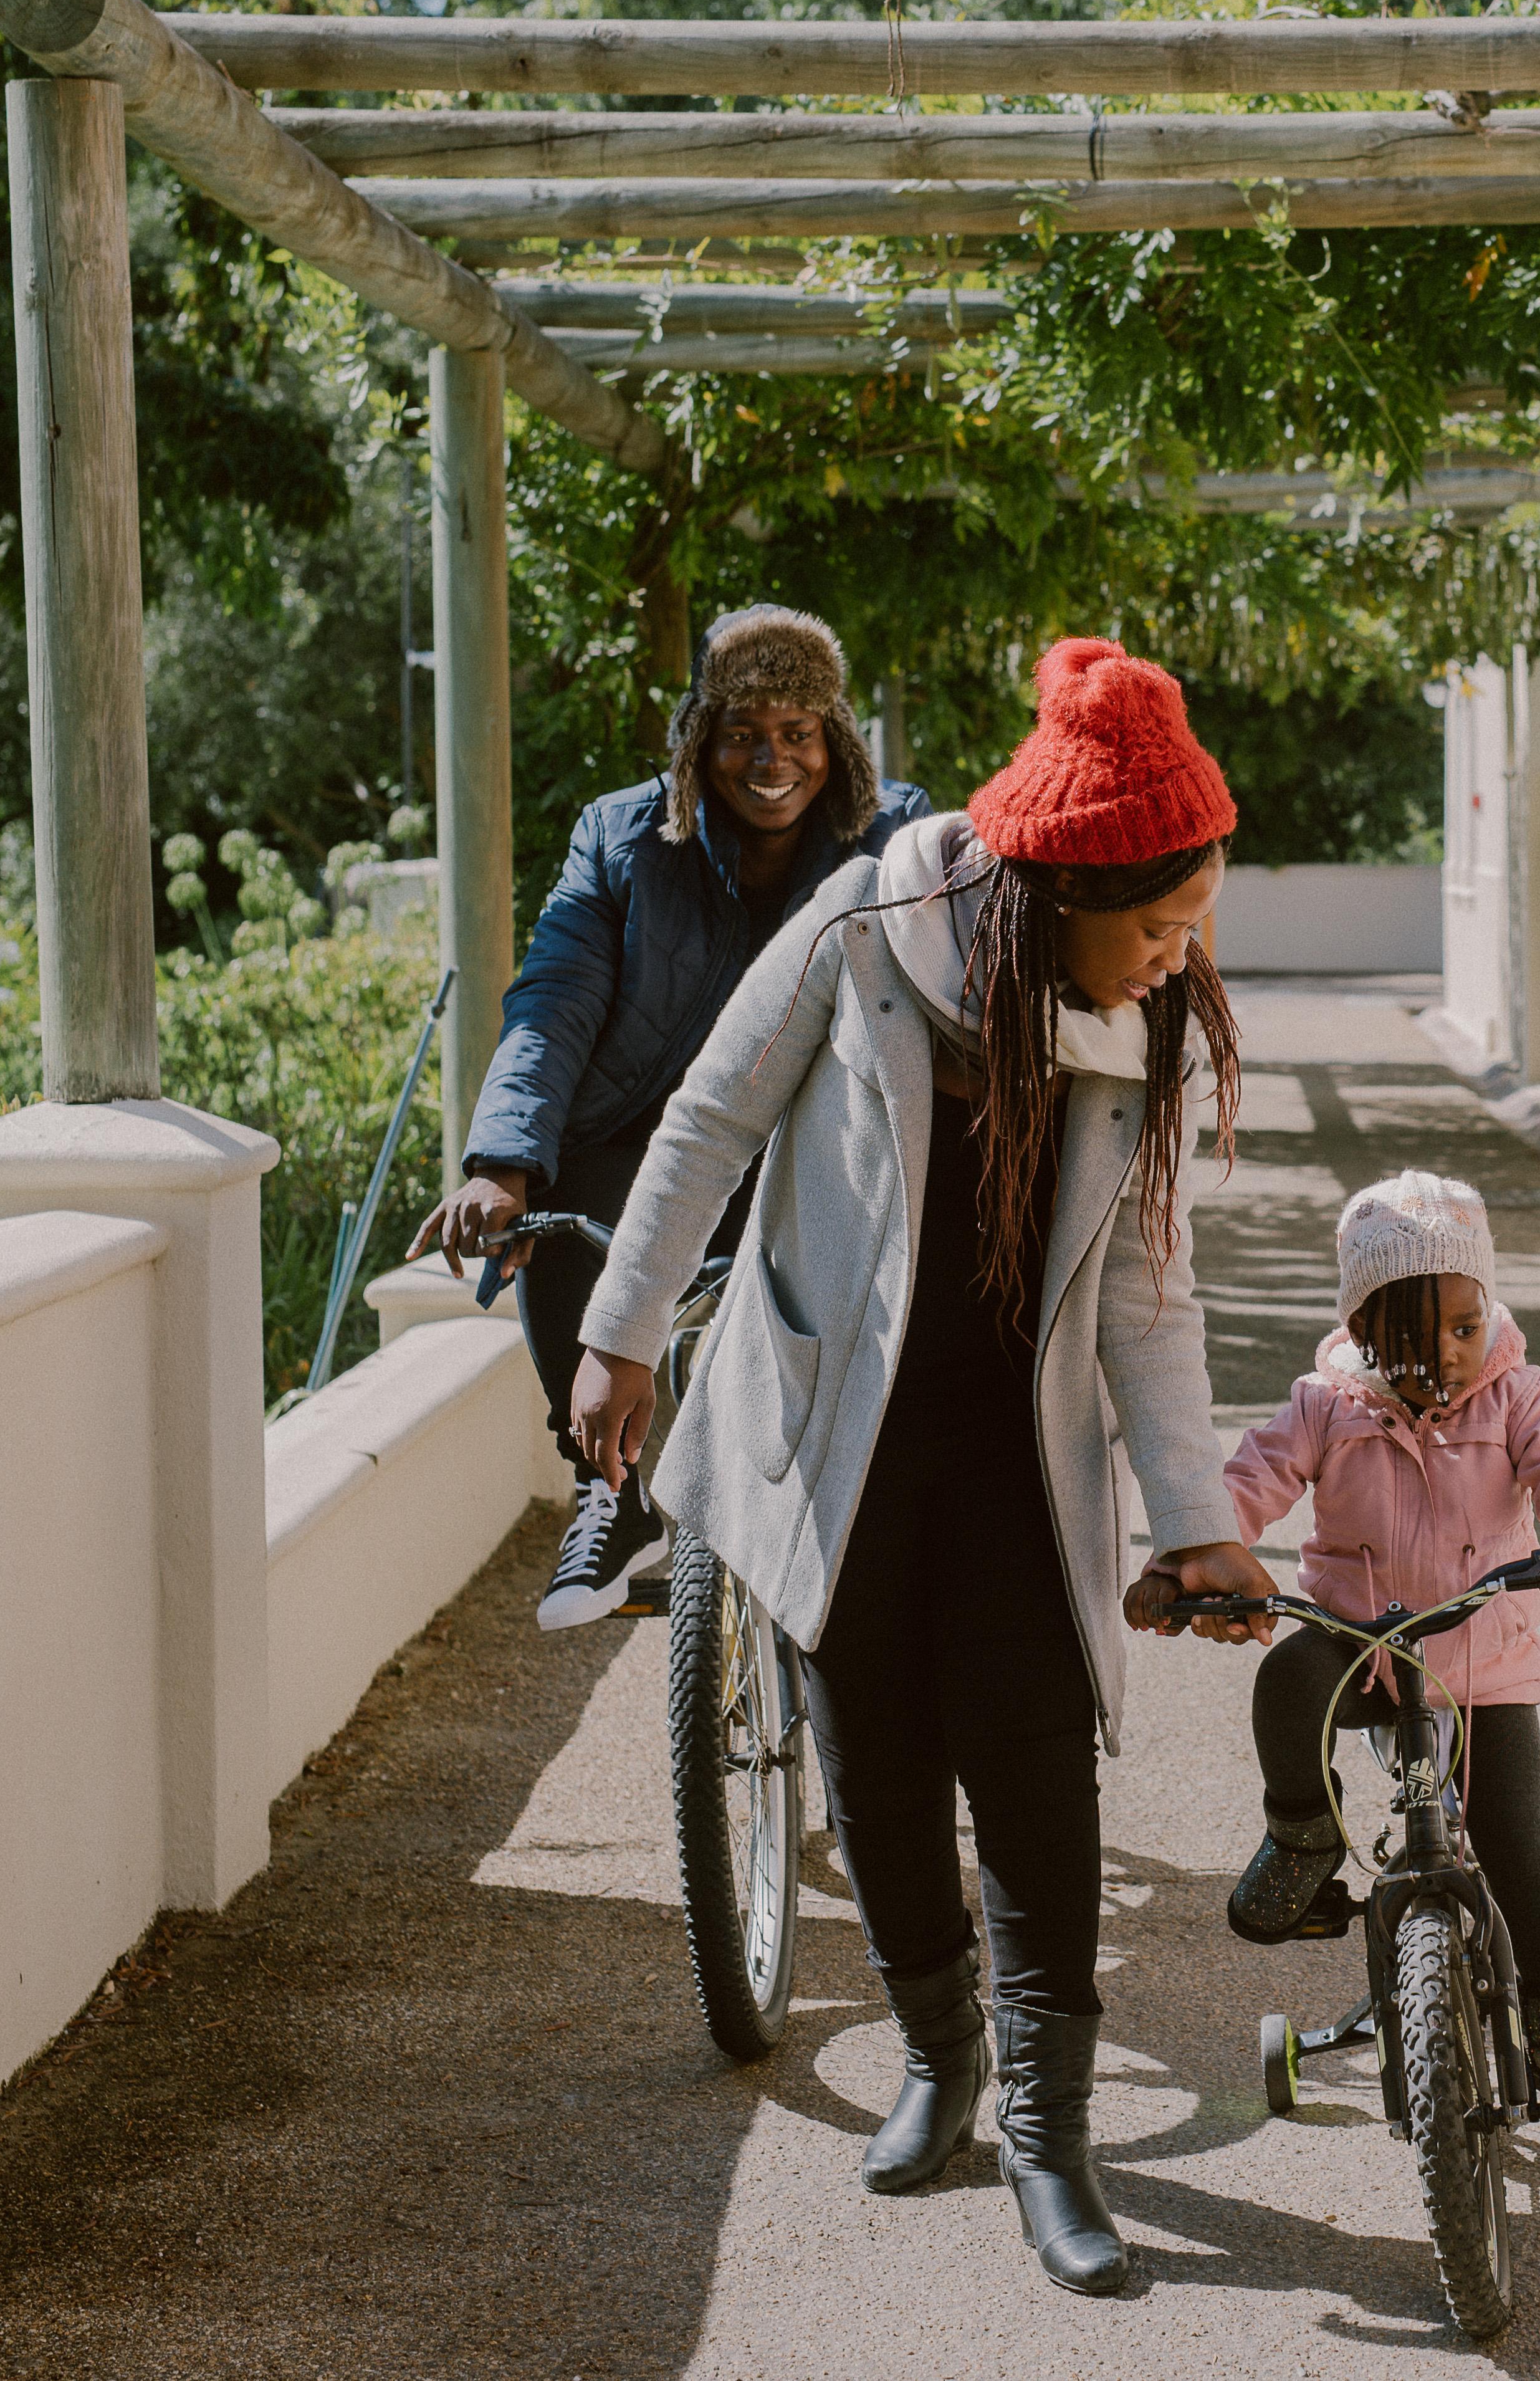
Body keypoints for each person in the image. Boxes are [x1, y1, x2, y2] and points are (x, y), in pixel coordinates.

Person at [568, 635, 1276, 2297]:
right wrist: (618, 1329)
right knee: (874, 1767)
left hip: (1019, 1458)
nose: (1180, 956)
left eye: (1197, 920)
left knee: (1036, 1785)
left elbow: (1150, 1293)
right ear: (1058, 891)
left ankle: (1050, 2129)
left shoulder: (1141, 1029)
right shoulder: (872, 924)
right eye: (1160, 921)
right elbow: (708, 1116)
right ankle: (940, 2057)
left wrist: (1197, 1525)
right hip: (835, 1430)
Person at [409, 605, 929, 1631]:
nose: (771, 759)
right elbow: (552, 998)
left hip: (806, 1139)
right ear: (700, 738)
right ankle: (609, 1494)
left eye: (797, 731)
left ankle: (850, 1507)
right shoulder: (623, 836)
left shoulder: (894, 836)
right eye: (742, 732)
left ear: (837, 741)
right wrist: (502, 1162)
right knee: (563, 1208)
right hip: (638, 1139)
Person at [1181, 1169, 1540, 2110]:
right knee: (1286, 1678)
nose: (1446, 1353)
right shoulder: (1324, 1406)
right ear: (1359, 1331)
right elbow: (1249, 1479)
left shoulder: (1516, 1396)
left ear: (1487, 1312)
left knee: (1516, 1836)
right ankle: (1303, 1835)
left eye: (1465, 1327)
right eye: (1412, 1335)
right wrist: (1202, 1555)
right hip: (1361, 1644)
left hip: (1482, 1662)